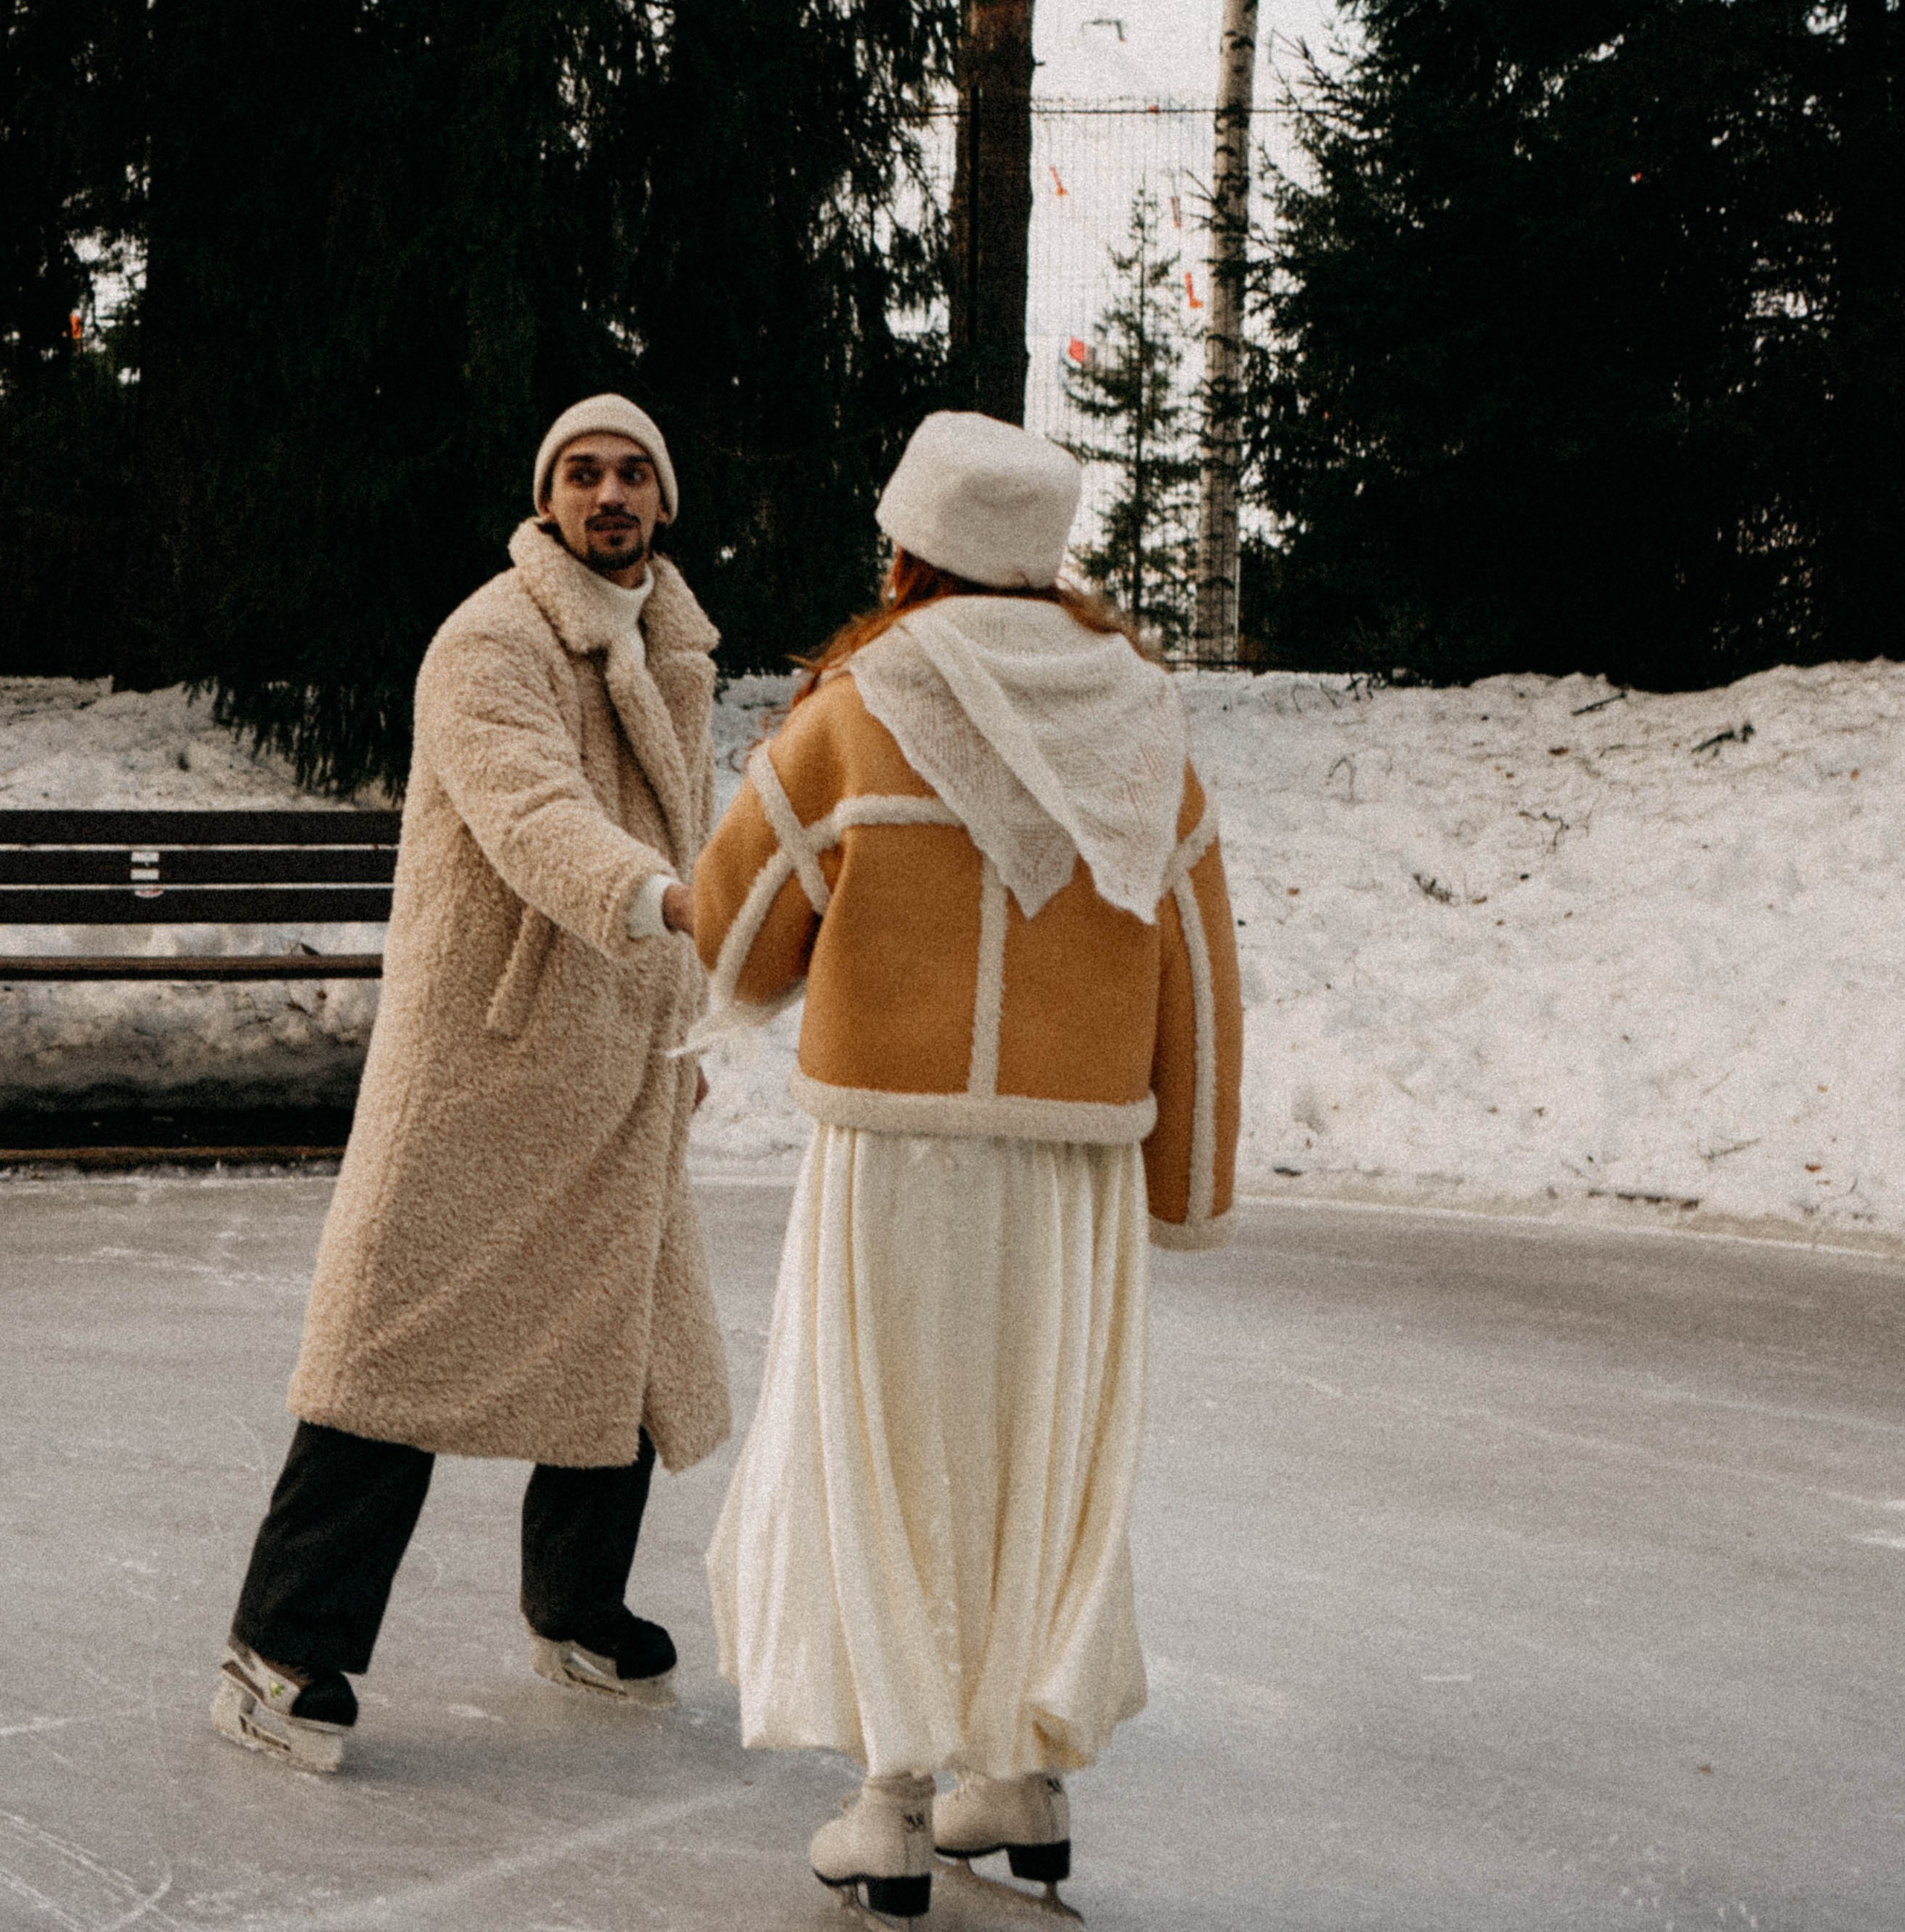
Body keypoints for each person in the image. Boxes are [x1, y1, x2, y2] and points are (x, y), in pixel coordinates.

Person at [693, 409, 1243, 1916]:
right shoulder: (1142, 711)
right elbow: (1197, 955)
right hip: (1070, 1178)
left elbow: (737, 943)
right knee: (1037, 1465)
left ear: (905, 546)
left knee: (884, 1456)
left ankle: (885, 1803)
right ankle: (1020, 1777)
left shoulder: (857, 703)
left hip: (895, 1151)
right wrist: (1186, 1178)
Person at [211, 394, 731, 1775]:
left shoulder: (674, 643)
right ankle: (278, 1644)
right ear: (547, 498)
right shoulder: (490, 638)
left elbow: (691, 827)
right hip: (488, 1061)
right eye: (582, 473)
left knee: (616, 1324)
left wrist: (681, 1018)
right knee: (398, 1342)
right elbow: (531, 812)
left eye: (631, 474)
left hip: (622, 1043)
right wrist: (666, 905)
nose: (608, 493)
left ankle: (576, 1606)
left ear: (663, 504)